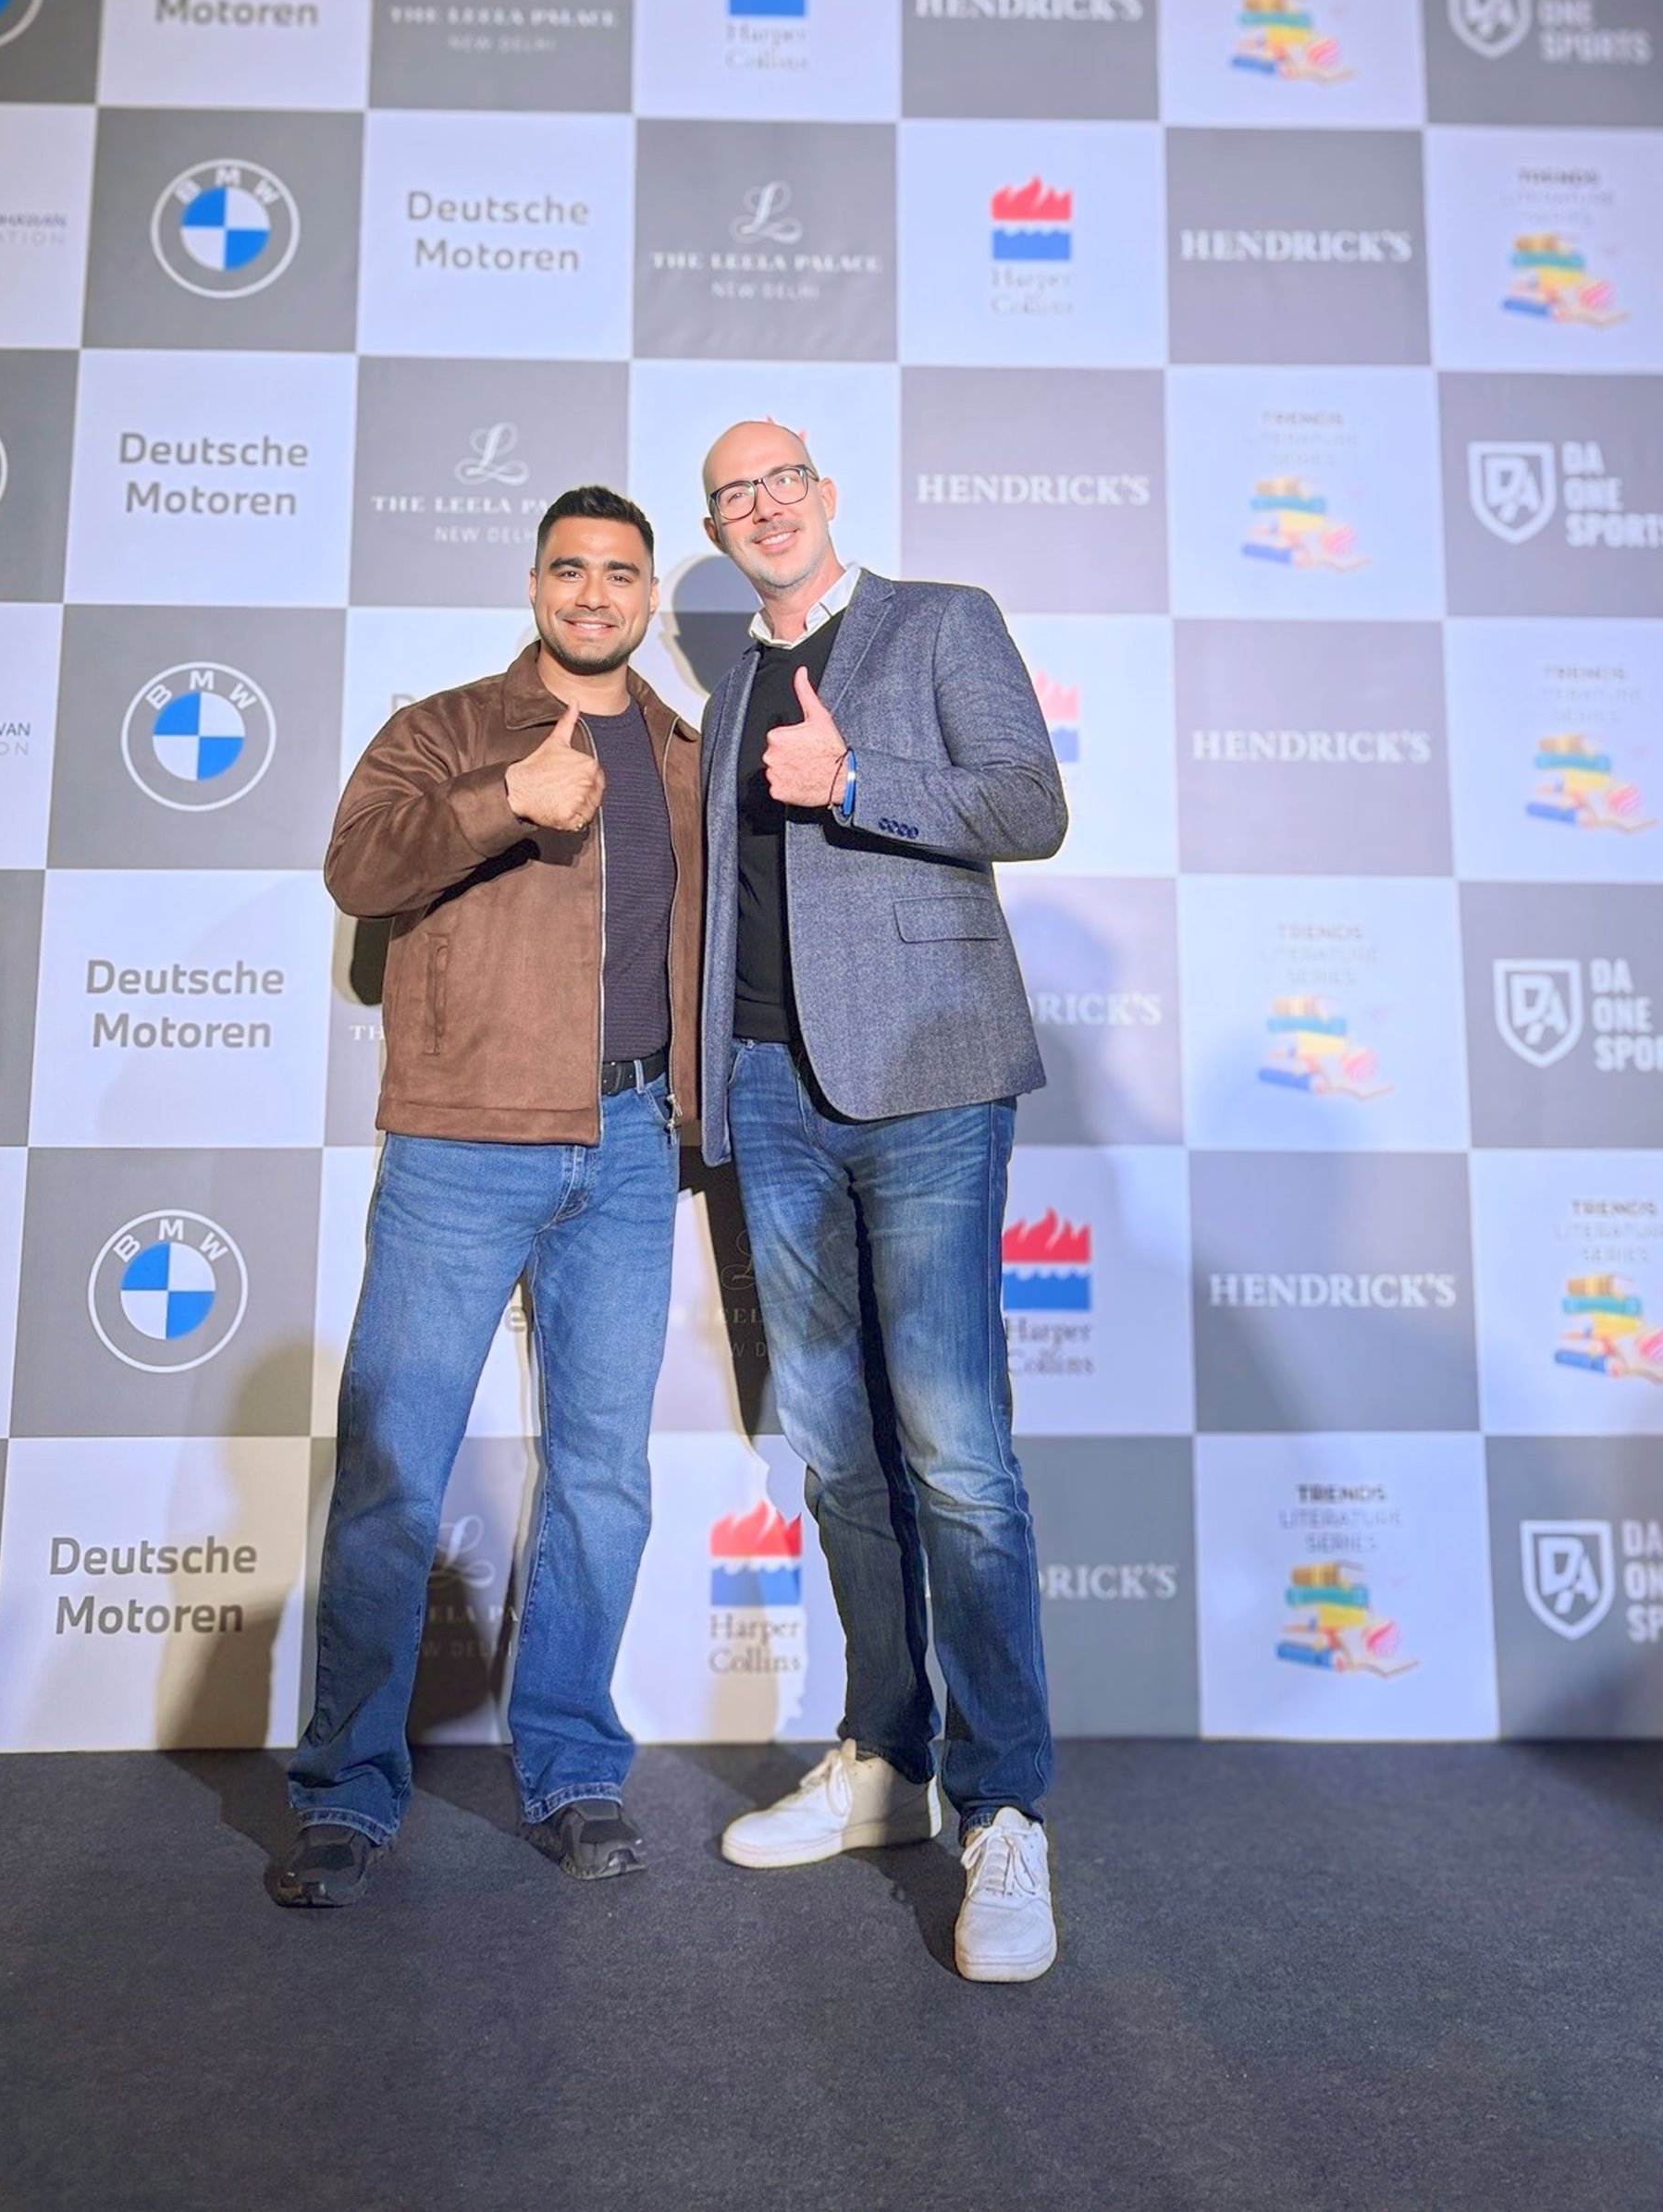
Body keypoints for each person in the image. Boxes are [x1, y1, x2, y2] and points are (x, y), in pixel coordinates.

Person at [272, 487, 699, 1908]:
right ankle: (344, 1788)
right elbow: (357, 866)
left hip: (632, 1143)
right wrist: (505, 799)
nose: (594, 593)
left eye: (620, 573)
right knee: (397, 1466)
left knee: (602, 1479)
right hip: (461, 1141)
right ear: (535, 584)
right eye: (570, 569)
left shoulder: (684, 749)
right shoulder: (450, 728)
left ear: (647, 595)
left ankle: (574, 1766)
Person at [693, 419, 1068, 1983]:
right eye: (735, 494)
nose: (766, 505)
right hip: (772, 1096)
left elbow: (1029, 805)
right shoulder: (720, 695)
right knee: (838, 1451)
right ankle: (884, 1757)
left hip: (926, 1079)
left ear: (827, 495)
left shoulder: (941, 620)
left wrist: (856, 778)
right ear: (717, 529)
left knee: (958, 1453)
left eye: (786, 479)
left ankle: (1002, 1810)